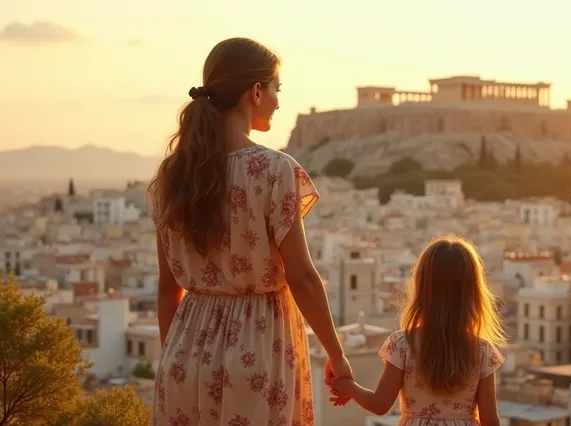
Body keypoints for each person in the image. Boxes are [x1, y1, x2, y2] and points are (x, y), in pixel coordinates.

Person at [149, 37, 352, 425]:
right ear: (255, 92)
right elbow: (303, 278)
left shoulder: (171, 175)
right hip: (257, 350)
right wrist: (337, 356)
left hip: (184, 350)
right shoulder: (273, 170)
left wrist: (176, 356)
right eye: (277, 89)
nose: (278, 100)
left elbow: (165, 286)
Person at [326, 235, 506, 426]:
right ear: (473, 292)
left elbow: (379, 405)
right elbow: (490, 420)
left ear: (422, 287)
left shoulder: (403, 345)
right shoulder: (483, 351)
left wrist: (347, 386)